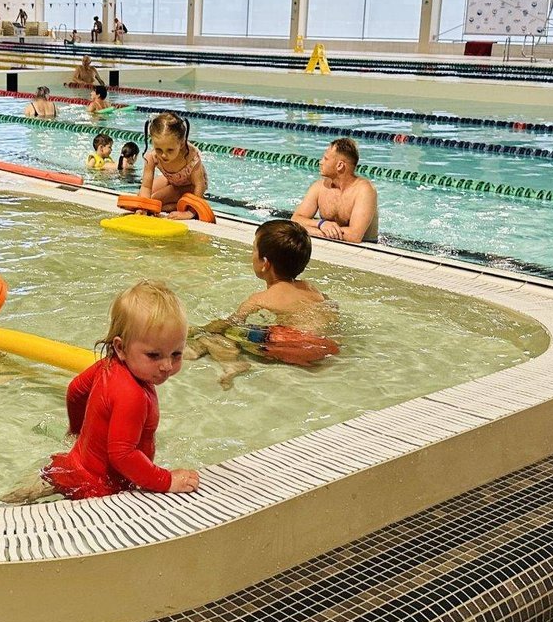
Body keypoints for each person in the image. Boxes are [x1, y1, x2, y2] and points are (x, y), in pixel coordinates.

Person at [41, 281, 199, 499]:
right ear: (121, 347)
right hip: (98, 489)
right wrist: (166, 480)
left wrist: (77, 430)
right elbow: (123, 455)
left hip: (73, 466)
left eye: (176, 354)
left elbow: (75, 390)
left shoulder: (105, 366)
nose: (166, 366)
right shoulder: (132, 395)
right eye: (154, 355)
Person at [186, 220, 337, 388]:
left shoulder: (259, 299)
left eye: (253, 249)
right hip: (326, 346)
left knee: (218, 335)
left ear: (265, 263)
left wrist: (198, 330)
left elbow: (229, 323)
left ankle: (231, 363)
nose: (251, 254)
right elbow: (330, 306)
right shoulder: (310, 287)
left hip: (294, 346)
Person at [292, 138, 378, 243]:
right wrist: (321, 224)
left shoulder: (364, 190)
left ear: (340, 165)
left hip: (367, 248)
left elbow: (354, 236)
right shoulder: (319, 187)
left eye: (326, 158)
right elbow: (296, 219)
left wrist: (308, 230)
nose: (320, 162)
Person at [140, 112, 208, 212]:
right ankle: (173, 205)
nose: (163, 155)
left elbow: (199, 185)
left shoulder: (190, 156)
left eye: (170, 150)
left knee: (156, 199)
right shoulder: (152, 156)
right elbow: (146, 186)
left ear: (181, 144)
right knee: (141, 198)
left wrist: (191, 212)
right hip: (172, 181)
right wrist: (143, 208)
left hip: (191, 187)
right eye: (159, 149)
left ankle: (179, 206)